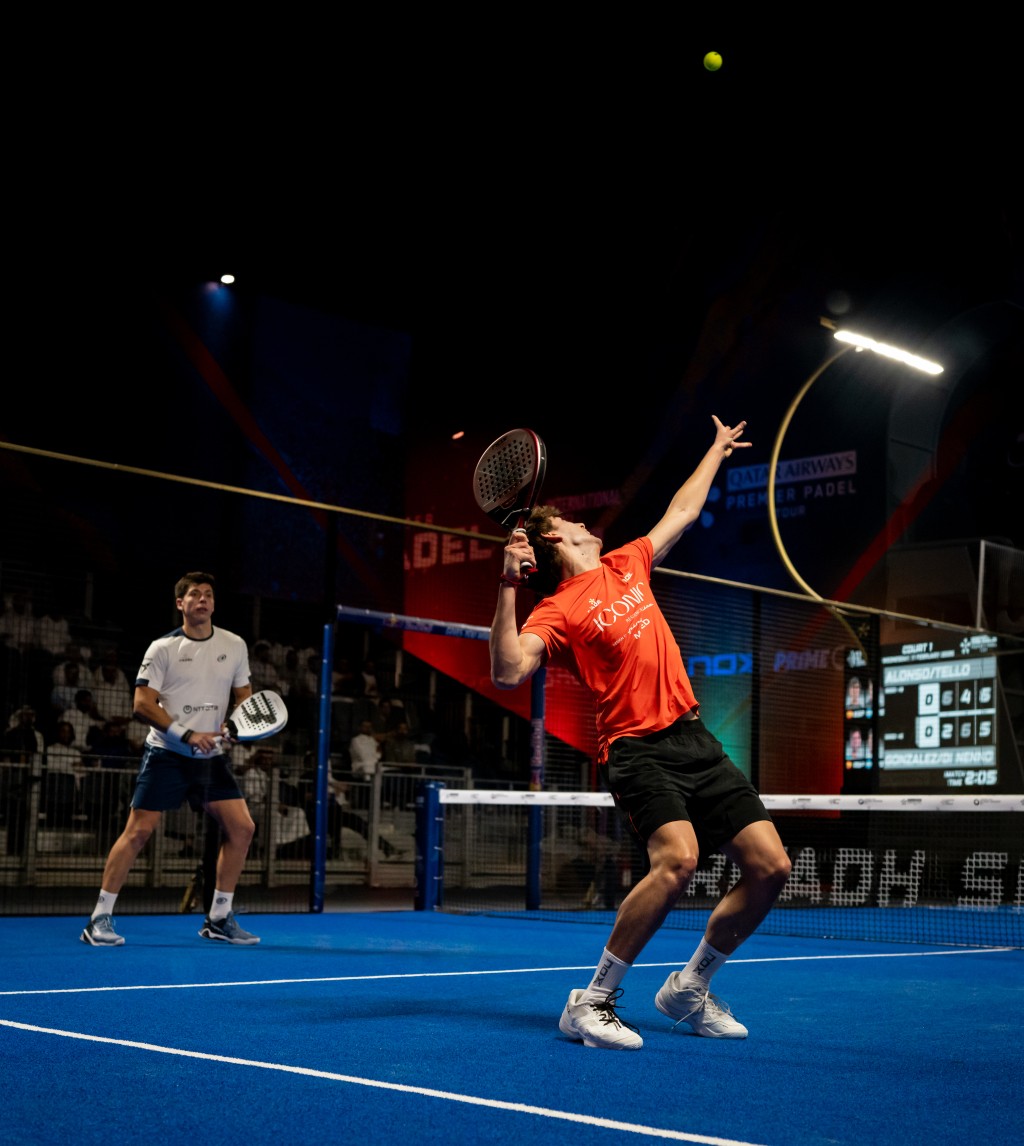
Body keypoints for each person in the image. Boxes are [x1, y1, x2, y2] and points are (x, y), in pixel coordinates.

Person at [490, 415, 792, 1051]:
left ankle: (689, 986)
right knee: (678, 860)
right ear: (553, 539)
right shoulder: (557, 608)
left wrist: (714, 450)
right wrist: (507, 585)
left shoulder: (628, 562)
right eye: (573, 522)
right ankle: (590, 1001)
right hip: (636, 749)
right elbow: (510, 669)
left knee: (770, 867)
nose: (586, 523)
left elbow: (681, 511)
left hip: (694, 738)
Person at [80, 571, 260, 947]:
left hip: (211, 758)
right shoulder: (162, 648)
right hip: (167, 754)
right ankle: (99, 918)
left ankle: (219, 917)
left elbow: (244, 695)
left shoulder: (234, 644)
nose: (203, 600)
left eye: (209, 595)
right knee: (139, 832)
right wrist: (188, 735)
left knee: (242, 827)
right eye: (195, 595)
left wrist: (230, 727)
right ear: (180, 604)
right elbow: (142, 704)